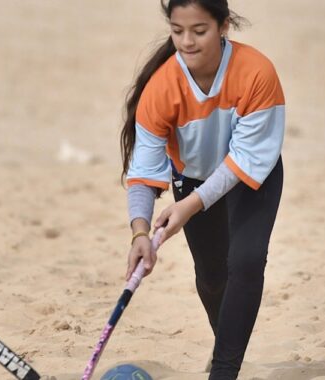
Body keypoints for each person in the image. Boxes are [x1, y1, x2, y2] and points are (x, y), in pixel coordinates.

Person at [120, 1, 284, 379]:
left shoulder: (257, 72)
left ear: (224, 26)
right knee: (211, 277)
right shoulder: (161, 88)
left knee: (245, 261)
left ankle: (224, 372)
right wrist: (140, 232)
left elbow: (244, 160)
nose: (187, 42)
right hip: (192, 178)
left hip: (250, 176)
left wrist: (191, 205)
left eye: (199, 31)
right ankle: (223, 345)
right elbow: (144, 173)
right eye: (178, 31)